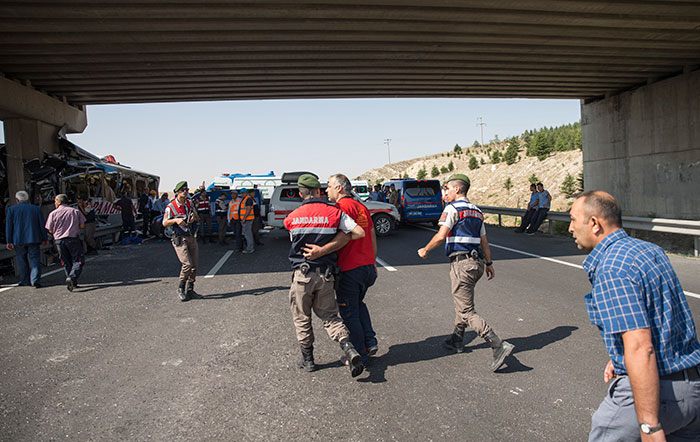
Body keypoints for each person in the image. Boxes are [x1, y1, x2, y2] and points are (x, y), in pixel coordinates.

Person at [569, 191, 700, 441]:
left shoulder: (612, 268)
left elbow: (641, 347)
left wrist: (649, 424)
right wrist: (621, 355)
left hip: (659, 395)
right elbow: (666, 317)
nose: (571, 228)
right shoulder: (649, 251)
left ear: (595, 223)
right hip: (693, 389)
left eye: (574, 220)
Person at [417, 174, 514, 372]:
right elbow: (484, 242)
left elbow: (441, 235)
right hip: (477, 263)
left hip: (462, 263)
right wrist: (489, 263)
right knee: (463, 302)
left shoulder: (452, 209)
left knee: (466, 310)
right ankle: (457, 339)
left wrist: (426, 250)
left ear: (457, 190)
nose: (445, 193)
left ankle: (497, 344)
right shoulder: (477, 212)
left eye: (447, 189)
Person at [284, 173, 366, 377]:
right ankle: (349, 348)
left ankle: (308, 360)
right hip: (326, 275)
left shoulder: (292, 217)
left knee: (302, 318)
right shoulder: (334, 213)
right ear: (318, 191)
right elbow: (358, 233)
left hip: (302, 276)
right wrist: (329, 247)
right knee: (331, 317)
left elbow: (292, 236)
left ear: (300, 193)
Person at [325, 174, 379, 366]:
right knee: (358, 304)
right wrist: (373, 262)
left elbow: (340, 238)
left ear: (339, 188)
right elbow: (371, 234)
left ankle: (360, 355)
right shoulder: (361, 206)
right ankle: (369, 342)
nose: (326, 190)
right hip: (366, 267)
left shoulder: (340, 209)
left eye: (329, 186)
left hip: (350, 268)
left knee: (349, 312)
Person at [162, 181, 201, 302]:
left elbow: (196, 217)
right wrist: (176, 220)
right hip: (179, 237)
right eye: (182, 190)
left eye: (186, 190)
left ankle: (190, 289)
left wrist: (194, 217)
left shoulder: (189, 203)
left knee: (194, 265)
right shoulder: (171, 206)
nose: (185, 192)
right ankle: (181, 288)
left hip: (190, 235)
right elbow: (164, 222)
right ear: (177, 192)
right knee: (187, 264)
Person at [5, 190, 48, 288]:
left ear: (17, 200)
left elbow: (9, 226)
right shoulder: (36, 209)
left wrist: (9, 241)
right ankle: (35, 279)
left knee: (21, 260)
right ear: (27, 199)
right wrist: (44, 238)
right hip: (33, 238)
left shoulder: (11, 210)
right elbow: (42, 224)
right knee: (35, 259)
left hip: (18, 239)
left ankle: (25, 280)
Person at [45, 194, 86, 291]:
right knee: (78, 260)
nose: (55, 203)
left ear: (59, 202)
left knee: (66, 261)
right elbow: (82, 226)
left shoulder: (53, 214)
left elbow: (50, 229)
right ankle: (72, 277)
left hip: (59, 241)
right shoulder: (75, 211)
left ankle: (72, 281)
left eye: (55, 201)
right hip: (73, 239)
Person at [238, 188, 255, 254]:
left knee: (248, 234)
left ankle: (250, 248)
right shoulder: (245, 199)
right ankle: (249, 247)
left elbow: (248, 209)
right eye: (241, 193)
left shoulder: (248, 199)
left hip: (247, 219)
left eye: (243, 193)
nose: (242, 194)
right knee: (247, 234)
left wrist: (244, 218)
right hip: (246, 219)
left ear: (246, 193)